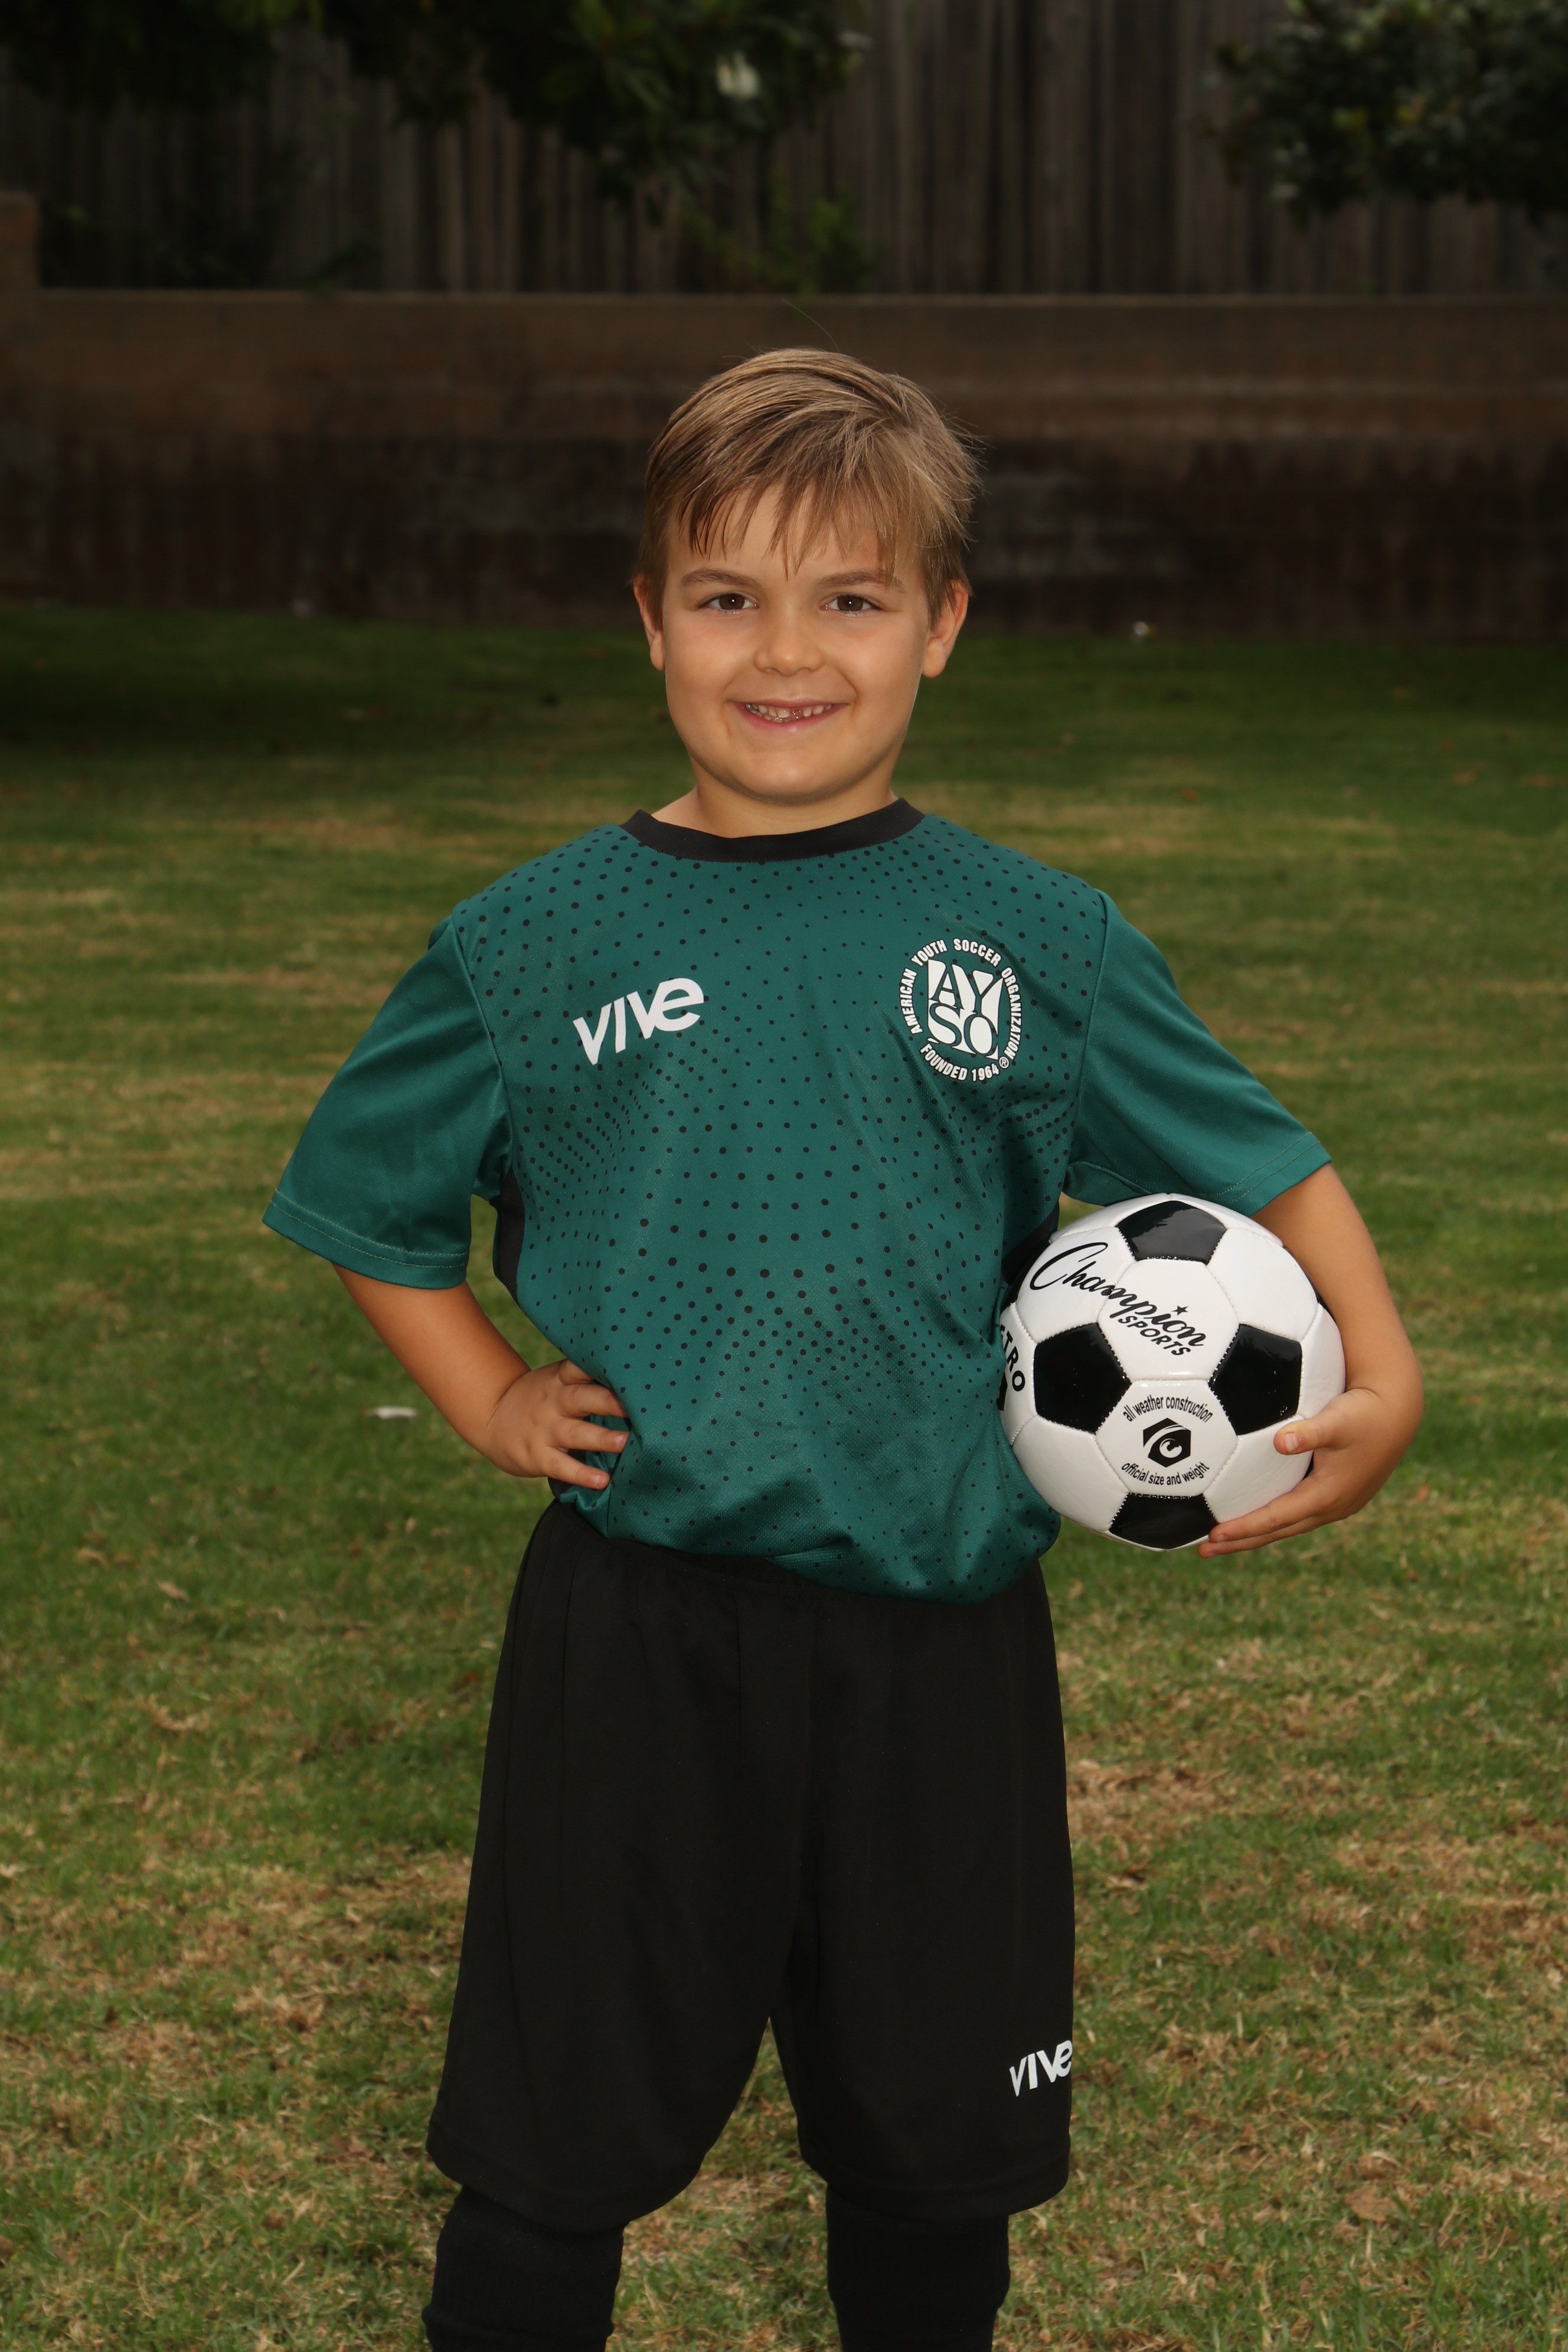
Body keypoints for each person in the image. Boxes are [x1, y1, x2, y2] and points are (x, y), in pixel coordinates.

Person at [262, 349, 1423, 2352]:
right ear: (649, 619)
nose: (786, 652)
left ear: (942, 624)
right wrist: (486, 1391)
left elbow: (1263, 1158)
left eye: (852, 598)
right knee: (550, 2151)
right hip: (637, 1636)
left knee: (931, 2157)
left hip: (939, 1641)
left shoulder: (1033, 935)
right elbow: (367, 1196)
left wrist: (1380, 1376)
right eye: (728, 596)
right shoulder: (532, 941)